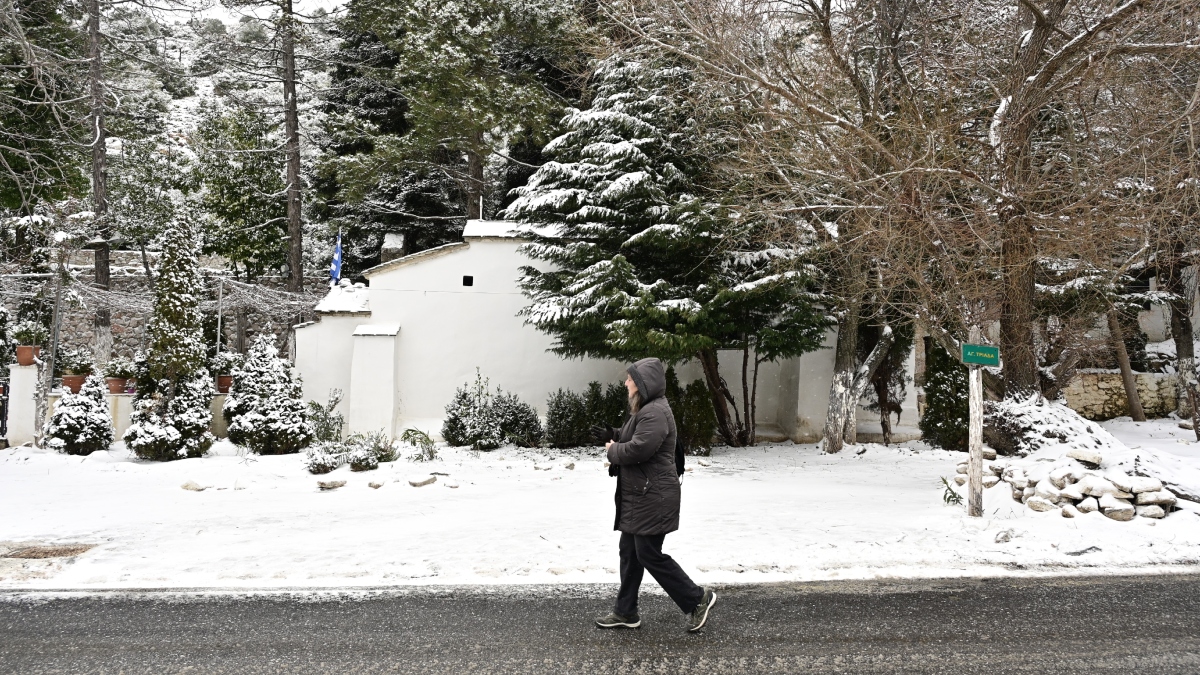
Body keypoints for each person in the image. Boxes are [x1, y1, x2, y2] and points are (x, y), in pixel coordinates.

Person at [592, 357, 716, 633]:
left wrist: (612, 450)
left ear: (642, 383)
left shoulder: (655, 412)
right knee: (630, 551)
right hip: (643, 496)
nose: (626, 383)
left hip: (653, 497)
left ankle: (697, 599)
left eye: (630, 379)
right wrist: (611, 433)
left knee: (648, 554)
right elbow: (632, 436)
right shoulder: (646, 410)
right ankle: (626, 612)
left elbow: (638, 449)